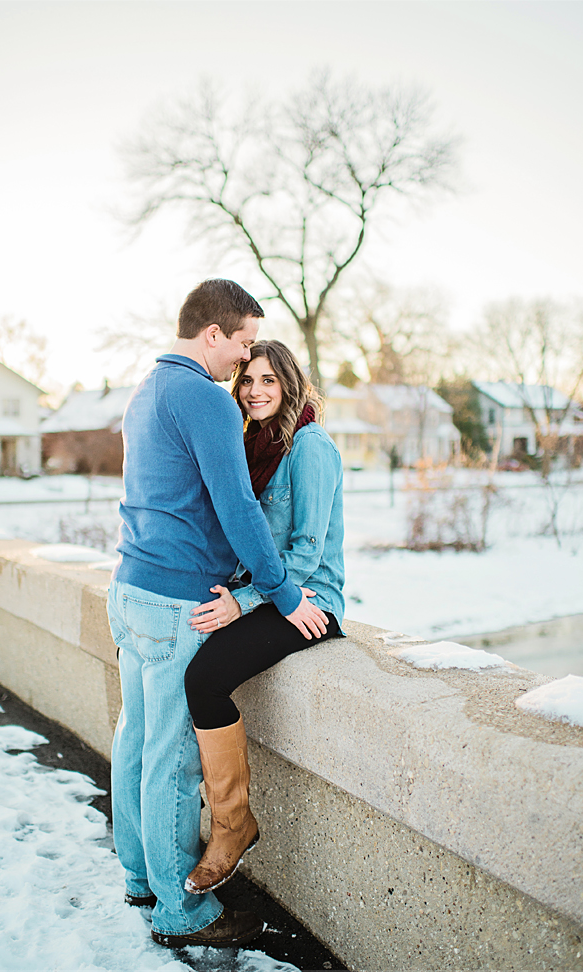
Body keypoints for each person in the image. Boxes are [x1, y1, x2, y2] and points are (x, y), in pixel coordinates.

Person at [111, 279, 326, 949]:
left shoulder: (145, 392)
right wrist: (286, 596)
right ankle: (182, 914)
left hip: (130, 588)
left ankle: (142, 877)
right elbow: (237, 510)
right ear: (212, 334)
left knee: (135, 740)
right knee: (172, 761)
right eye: (239, 342)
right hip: (179, 601)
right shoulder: (203, 398)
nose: (242, 358)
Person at [179, 339, 346, 896]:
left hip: (307, 602)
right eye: (247, 380)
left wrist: (241, 603)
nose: (254, 391)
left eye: (268, 381)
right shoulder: (251, 443)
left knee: (203, 679)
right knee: (193, 660)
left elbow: (304, 552)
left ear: (290, 383)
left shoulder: (310, 446)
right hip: (264, 594)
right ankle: (225, 816)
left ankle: (233, 826)